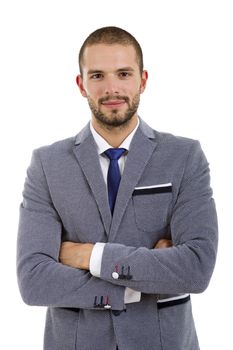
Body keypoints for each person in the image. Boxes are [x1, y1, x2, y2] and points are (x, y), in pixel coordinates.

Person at [17, 26, 218, 350]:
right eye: (97, 76)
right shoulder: (47, 164)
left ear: (143, 80)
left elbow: (196, 268)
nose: (112, 88)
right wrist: (137, 285)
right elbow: (34, 281)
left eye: (123, 73)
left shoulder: (184, 157)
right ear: (82, 85)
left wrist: (87, 255)